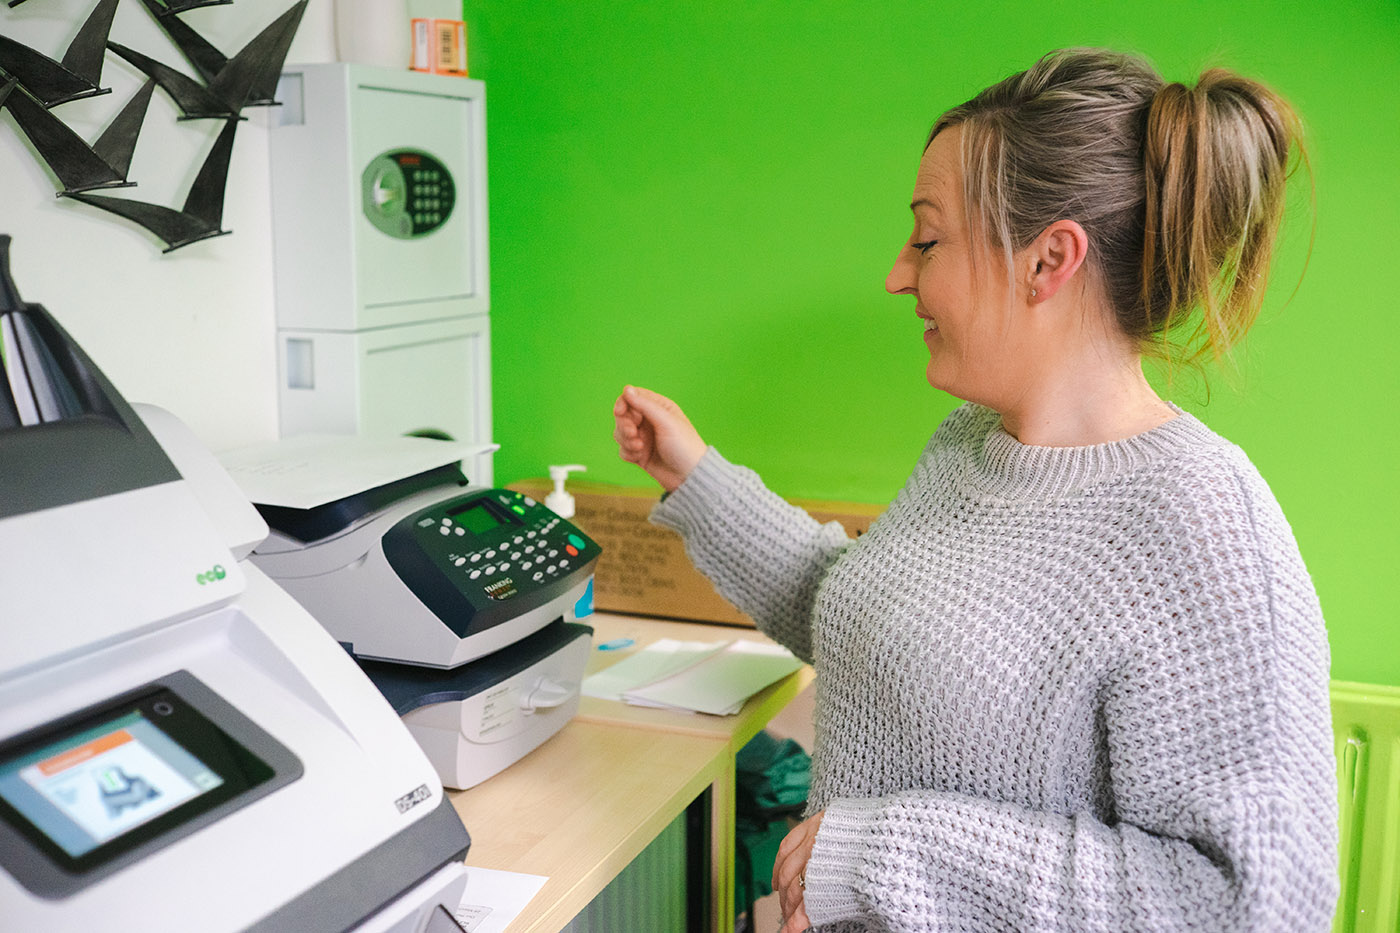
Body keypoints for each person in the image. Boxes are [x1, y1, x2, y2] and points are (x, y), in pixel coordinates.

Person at [612, 48, 1336, 933]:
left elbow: (1252, 904)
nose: (898, 274)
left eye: (927, 238)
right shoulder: (969, 444)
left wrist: (891, 853)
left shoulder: (1203, 526)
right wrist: (698, 479)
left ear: (1049, 260)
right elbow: (874, 629)